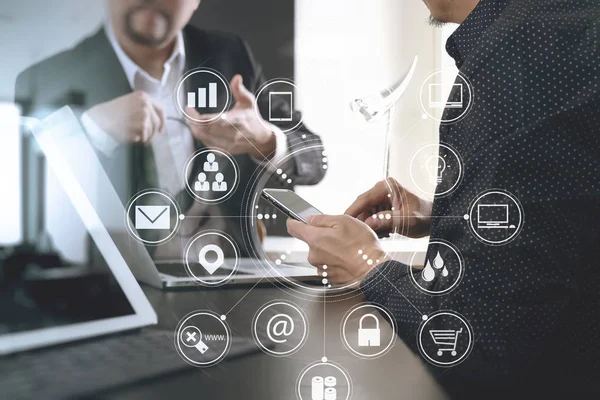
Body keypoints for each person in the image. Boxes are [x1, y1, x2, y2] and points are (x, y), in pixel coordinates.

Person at [288, 0, 600, 398]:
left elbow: (480, 348)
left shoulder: (519, 51)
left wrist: (365, 264)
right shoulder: (564, 24)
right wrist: (451, 212)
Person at [15, 0, 325, 255]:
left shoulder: (230, 56)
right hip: (108, 296)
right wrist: (90, 129)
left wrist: (265, 138)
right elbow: (23, 207)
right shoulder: (46, 78)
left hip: (232, 288)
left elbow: (314, 158)